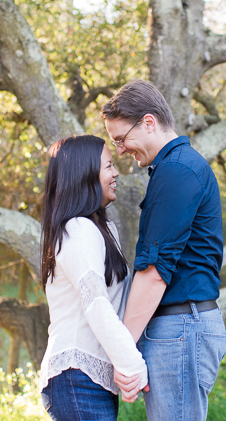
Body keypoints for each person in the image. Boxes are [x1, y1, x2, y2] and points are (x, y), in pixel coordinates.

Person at [102, 80, 226, 421]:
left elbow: (155, 271)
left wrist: (123, 349)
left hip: (182, 326)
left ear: (148, 122)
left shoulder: (177, 171)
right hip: (182, 326)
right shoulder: (174, 169)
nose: (122, 150)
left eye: (121, 139)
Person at [38, 134, 148, 421]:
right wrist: (131, 364)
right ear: (84, 174)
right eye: (108, 166)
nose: (115, 173)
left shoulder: (100, 229)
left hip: (87, 381)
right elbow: (96, 303)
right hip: (77, 377)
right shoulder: (78, 229)